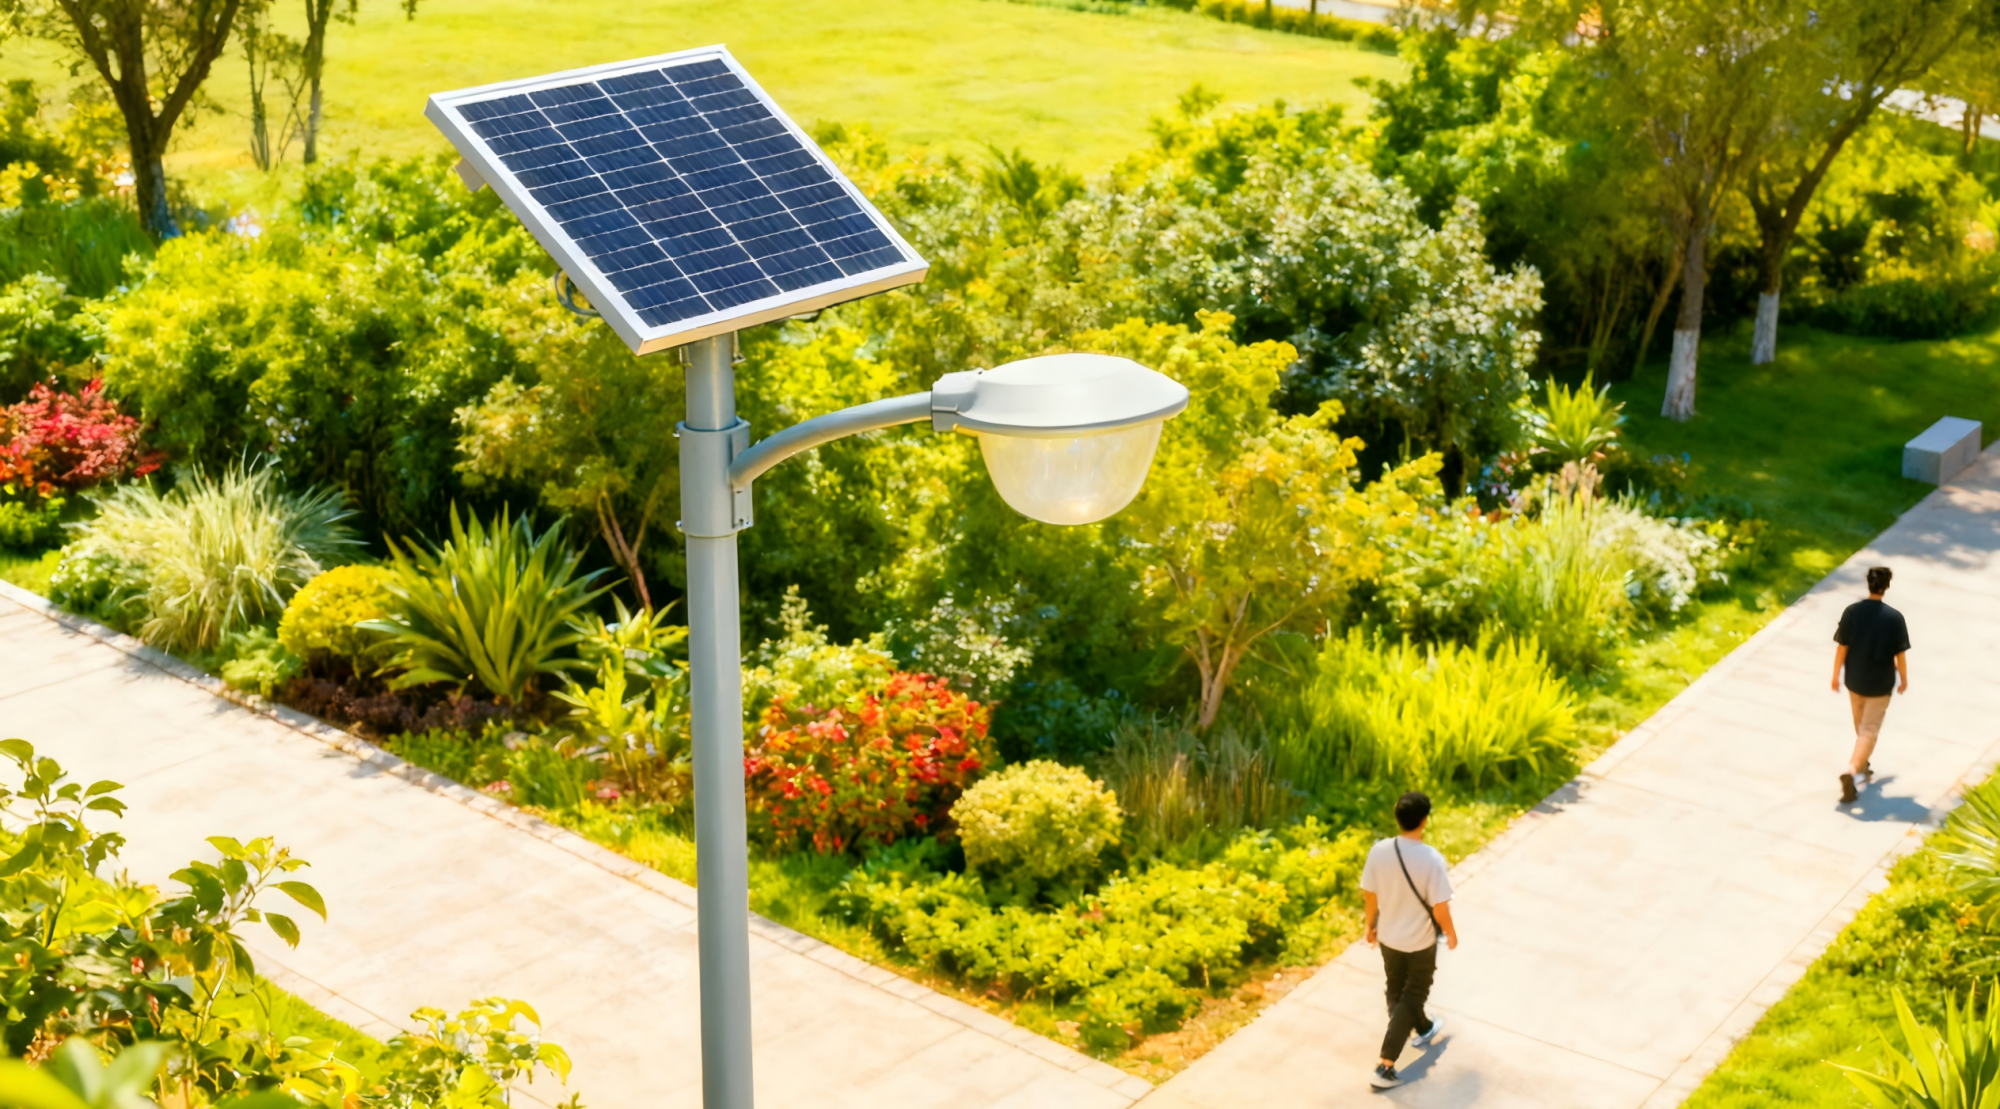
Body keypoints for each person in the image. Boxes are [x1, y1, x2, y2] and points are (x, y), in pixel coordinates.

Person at [1359, 791, 1458, 1090]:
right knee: (1413, 993)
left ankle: (1424, 1027)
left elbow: (1370, 895)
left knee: (1396, 988)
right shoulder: (1431, 859)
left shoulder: (1379, 851)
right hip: (1420, 942)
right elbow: (1440, 908)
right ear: (1424, 820)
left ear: (1396, 815)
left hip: (1389, 937)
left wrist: (1370, 925)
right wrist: (1451, 933)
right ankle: (1385, 1065)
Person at [1832, 565, 1911, 804]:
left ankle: (1862, 764)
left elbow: (1842, 648)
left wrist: (1835, 675)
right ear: (1886, 586)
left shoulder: (1852, 612)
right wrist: (1904, 678)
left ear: (1868, 583)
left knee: (1861, 727)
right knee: (1869, 730)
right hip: (1880, 684)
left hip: (1854, 681)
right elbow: (1900, 655)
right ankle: (1852, 771)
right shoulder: (1894, 618)